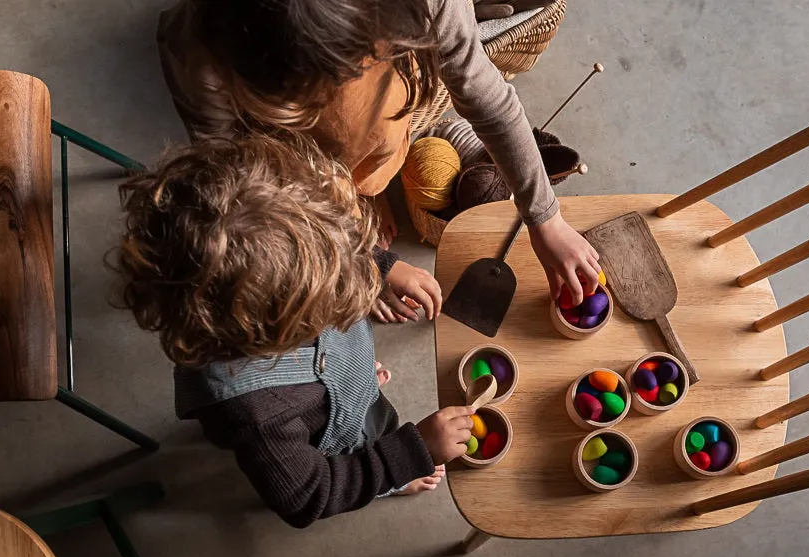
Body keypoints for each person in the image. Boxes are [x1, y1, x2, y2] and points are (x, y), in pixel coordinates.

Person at [156, 0, 602, 323]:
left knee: (369, 145)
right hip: (303, 164)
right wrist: (368, 261)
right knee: (329, 168)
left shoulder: (422, 6)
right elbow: (258, 194)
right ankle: (354, 187)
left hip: (372, 121)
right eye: (288, 107)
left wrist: (546, 218)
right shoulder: (200, 56)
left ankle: (364, 179)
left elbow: (485, 95)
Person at [112, 134, 474, 527]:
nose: (348, 280)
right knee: (374, 439)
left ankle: (343, 384)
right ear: (280, 334)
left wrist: (381, 265)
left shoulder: (281, 249)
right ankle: (386, 475)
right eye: (332, 295)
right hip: (329, 436)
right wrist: (410, 453)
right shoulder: (258, 416)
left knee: (359, 397)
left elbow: (321, 236)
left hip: (324, 375)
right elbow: (309, 495)